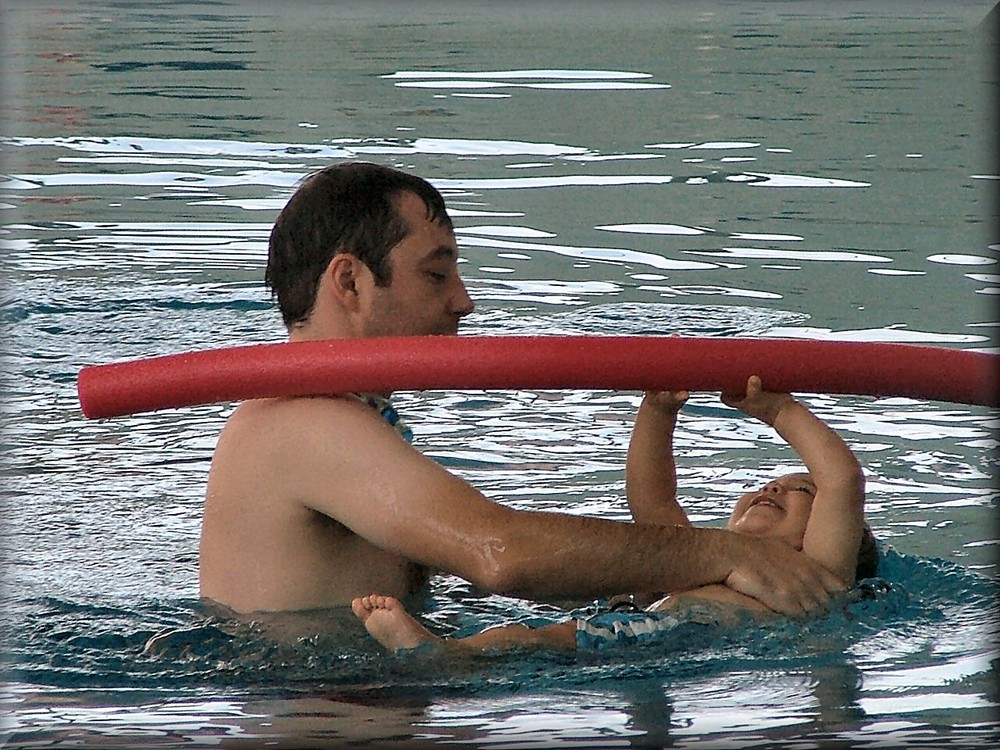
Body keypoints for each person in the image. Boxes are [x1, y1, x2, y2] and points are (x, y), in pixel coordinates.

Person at [198, 161, 846, 619]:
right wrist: (723, 552)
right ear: (350, 284)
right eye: (436, 275)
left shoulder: (345, 418)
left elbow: (477, 576)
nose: (465, 302)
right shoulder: (305, 426)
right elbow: (500, 553)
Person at [352, 376, 876, 653]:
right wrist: (658, 409)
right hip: (648, 632)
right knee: (538, 639)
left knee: (540, 641)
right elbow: (653, 503)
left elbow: (842, 480)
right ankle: (443, 651)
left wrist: (781, 411)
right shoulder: (700, 566)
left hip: (665, 640)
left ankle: (443, 653)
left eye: (799, 491)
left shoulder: (821, 578)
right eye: (766, 483)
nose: (772, 487)